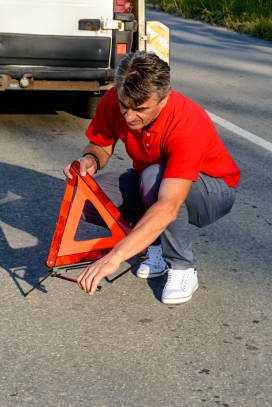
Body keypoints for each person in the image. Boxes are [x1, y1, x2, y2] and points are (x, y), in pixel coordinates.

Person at [63, 51, 240, 304]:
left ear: (164, 98)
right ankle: (153, 245)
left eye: (141, 109)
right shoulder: (113, 100)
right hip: (153, 181)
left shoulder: (187, 122)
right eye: (124, 106)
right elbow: (100, 145)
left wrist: (114, 257)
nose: (129, 116)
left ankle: (182, 266)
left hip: (213, 192)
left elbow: (169, 206)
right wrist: (90, 160)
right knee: (89, 196)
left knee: (154, 177)